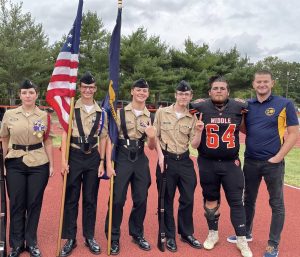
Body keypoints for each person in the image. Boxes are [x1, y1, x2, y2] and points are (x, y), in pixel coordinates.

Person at [227, 70, 299, 257]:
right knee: (248, 199)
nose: (262, 85)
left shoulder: (285, 104)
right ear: (253, 84)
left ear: (272, 83)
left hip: (273, 163)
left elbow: (293, 133)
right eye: (258, 82)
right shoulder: (247, 105)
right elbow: (244, 129)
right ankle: (246, 233)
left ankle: (273, 244)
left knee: (276, 204)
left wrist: (278, 157)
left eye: (265, 81)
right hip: (251, 160)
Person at [192, 75, 253, 257]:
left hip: (230, 163)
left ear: (228, 91)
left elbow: (248, 126)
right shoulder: (199, 107)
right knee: (210, 199)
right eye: (215, 88)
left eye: (222, 88)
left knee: (236, 201)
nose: (219, 91)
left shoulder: (239, 107)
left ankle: (242, 239)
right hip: (207, 162)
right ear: (209, 92)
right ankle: (213, 233)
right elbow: (181, 105)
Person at [0, 79, 54, 257]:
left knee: (34, 204)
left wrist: (51, 164)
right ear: (20, 95)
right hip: (15, 162)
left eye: (31, 92)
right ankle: (16, 244)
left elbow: (47, 140)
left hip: (38, 163)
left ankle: (31, 242)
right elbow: (4, 138)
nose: (28, 95)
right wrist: (4, 162)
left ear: (36, 95)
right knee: (16, 203)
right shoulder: (9, 114)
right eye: (24, 92)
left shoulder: (44, 115)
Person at [104, 78, 156, 255]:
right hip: (122, 157)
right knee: (117, 199)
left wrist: (151, 136)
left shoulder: (151, 116)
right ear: (132, 91)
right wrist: (108, 164)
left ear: (147, 94)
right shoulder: (119, 112)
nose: (142, 93)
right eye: (138, 90)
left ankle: (137, 233)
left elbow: (151, 146)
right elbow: (111, 138)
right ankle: (113, 237)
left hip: (140, 156)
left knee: (141, 199)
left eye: (145, 91)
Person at [59, 72, 108, 256]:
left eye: (91, 87)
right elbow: (64, 134)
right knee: (71, 198)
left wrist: (102, 161)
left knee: (90, 198)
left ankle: (89, 236)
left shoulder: (101, 112)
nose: (88, 90)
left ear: (95, 89)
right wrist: (64, 160)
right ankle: (70, 238)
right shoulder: (71, 108)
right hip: (74, 155)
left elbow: (103, 138)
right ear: (80, 88)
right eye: (84, 87)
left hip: (93, 157)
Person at [154, 80, 204, 253]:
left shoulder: (193, 117)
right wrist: (160, 157)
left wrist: (199, 131)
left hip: (184, 160)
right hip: (166, 160)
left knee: (188, 198)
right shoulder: (161, 113)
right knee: (166, 199)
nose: (183, 96)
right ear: (175, 95)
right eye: (181, 94)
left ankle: (186, 233)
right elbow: (155, 137)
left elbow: (195, 145)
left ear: (191, 96)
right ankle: (169, 235)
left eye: (187, 94)